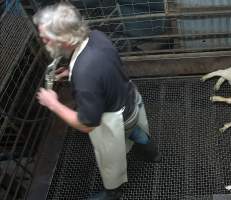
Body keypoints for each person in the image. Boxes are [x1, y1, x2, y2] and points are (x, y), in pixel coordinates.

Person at [33, 2, 161, 200]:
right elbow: (102, 67)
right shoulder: (96, 36)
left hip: (116, 121)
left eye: (46, 37)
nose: (42, 40)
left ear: (64, 39)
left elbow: (86, 124)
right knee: (137, 132)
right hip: (130, 99)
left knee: (110, 160)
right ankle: (153, 154)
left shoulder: (85, 74)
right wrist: (71, 71)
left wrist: (53, 104)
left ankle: (112, 193)